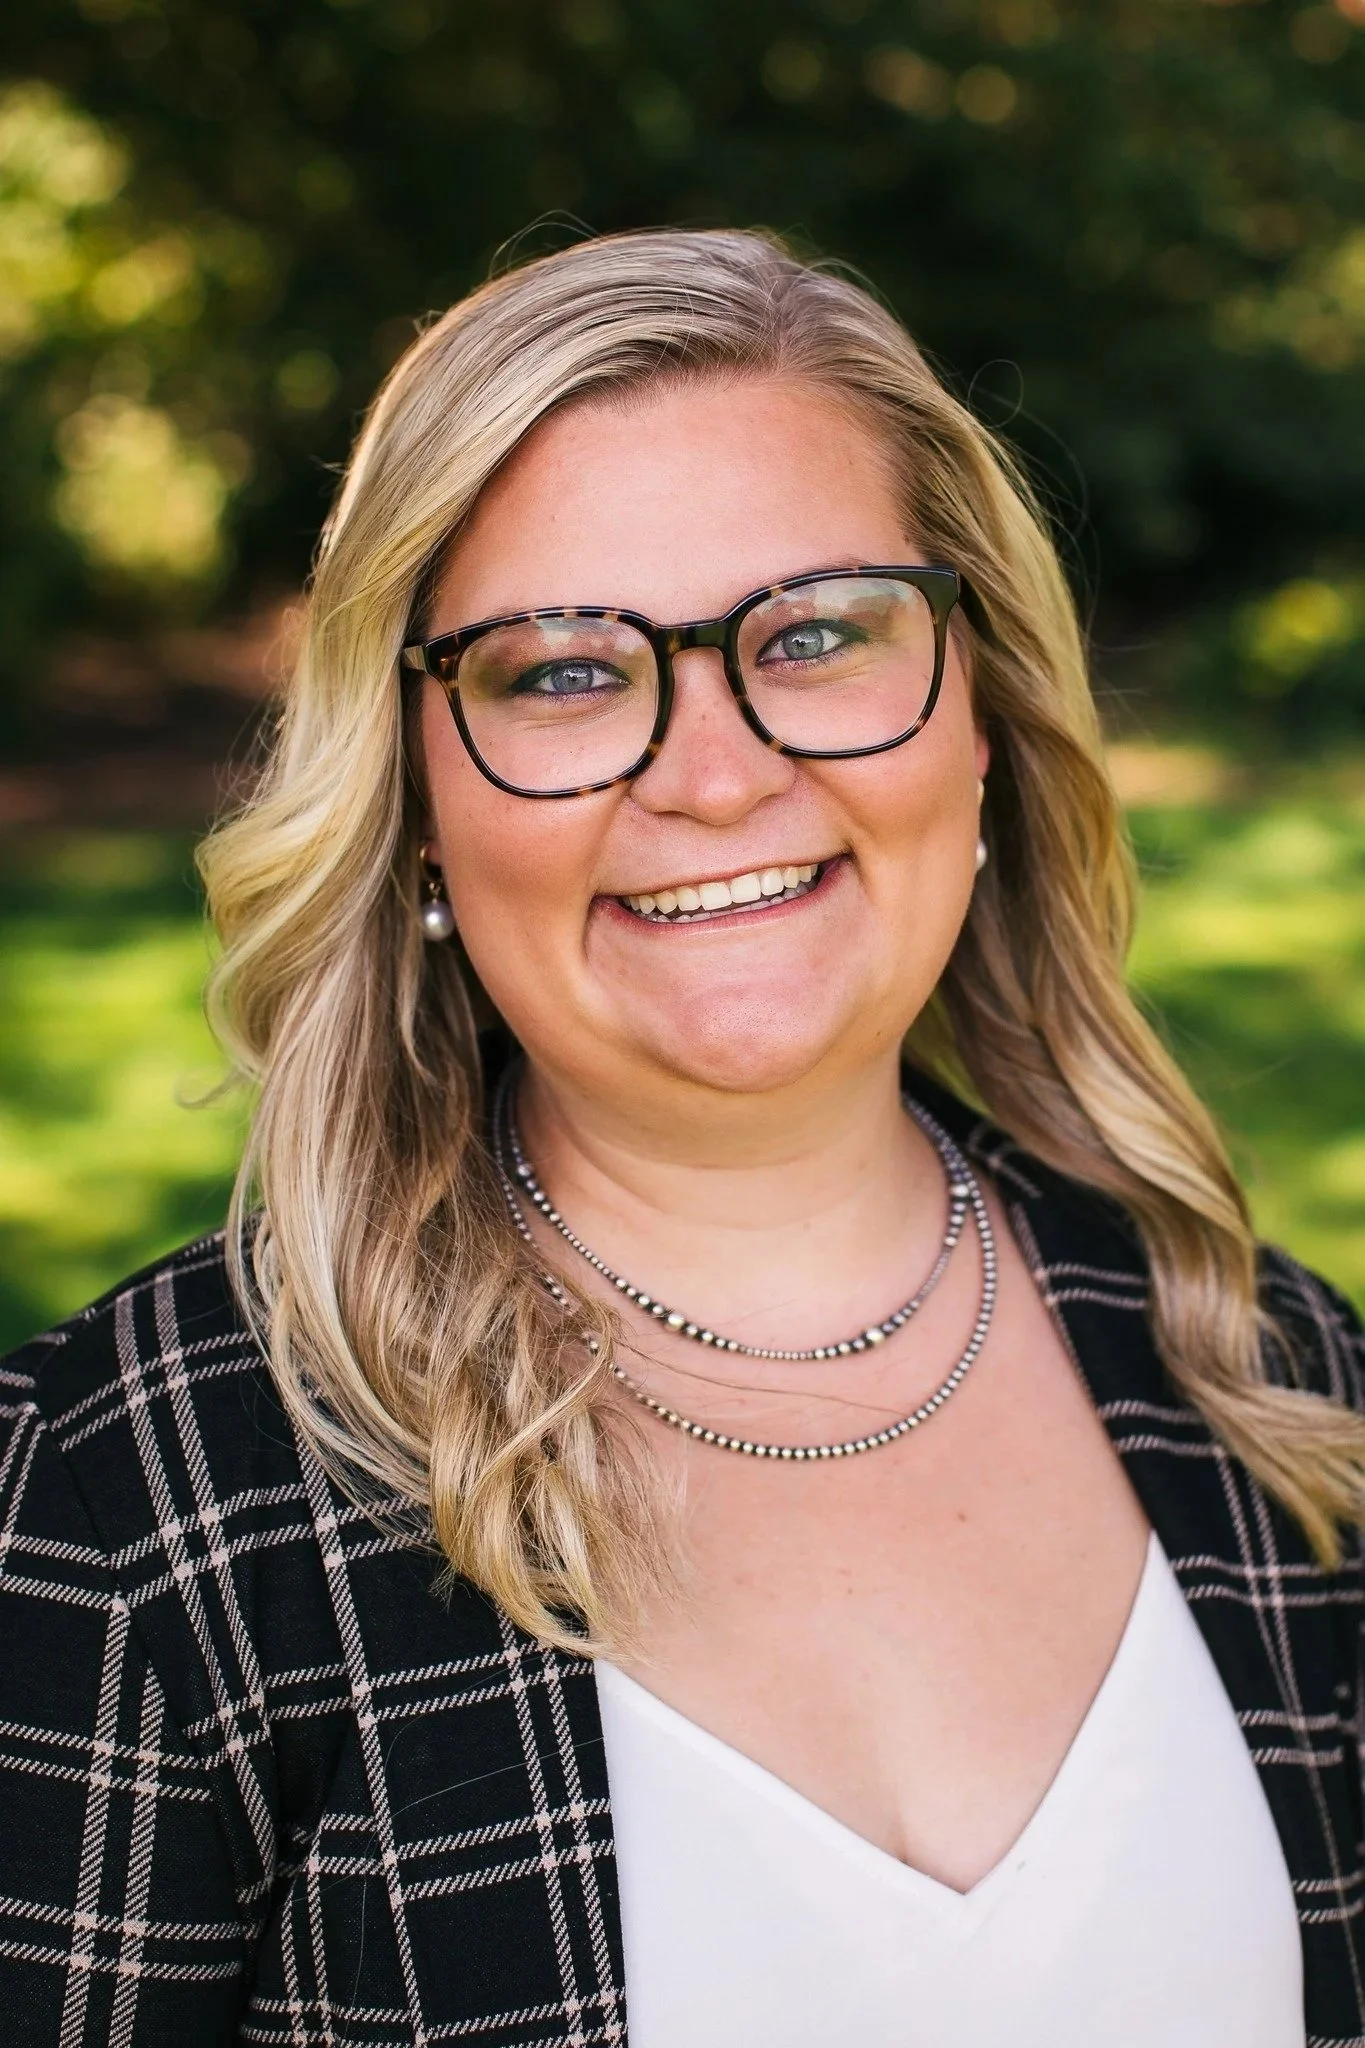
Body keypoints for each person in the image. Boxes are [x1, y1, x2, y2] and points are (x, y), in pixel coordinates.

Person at [2, 227, 1363, 2048]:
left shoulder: (1274, 1388)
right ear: (413, 796)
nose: (716, 776)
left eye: (815, 636)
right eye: (563, 671)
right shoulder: (129, 1506)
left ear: (980, 720)